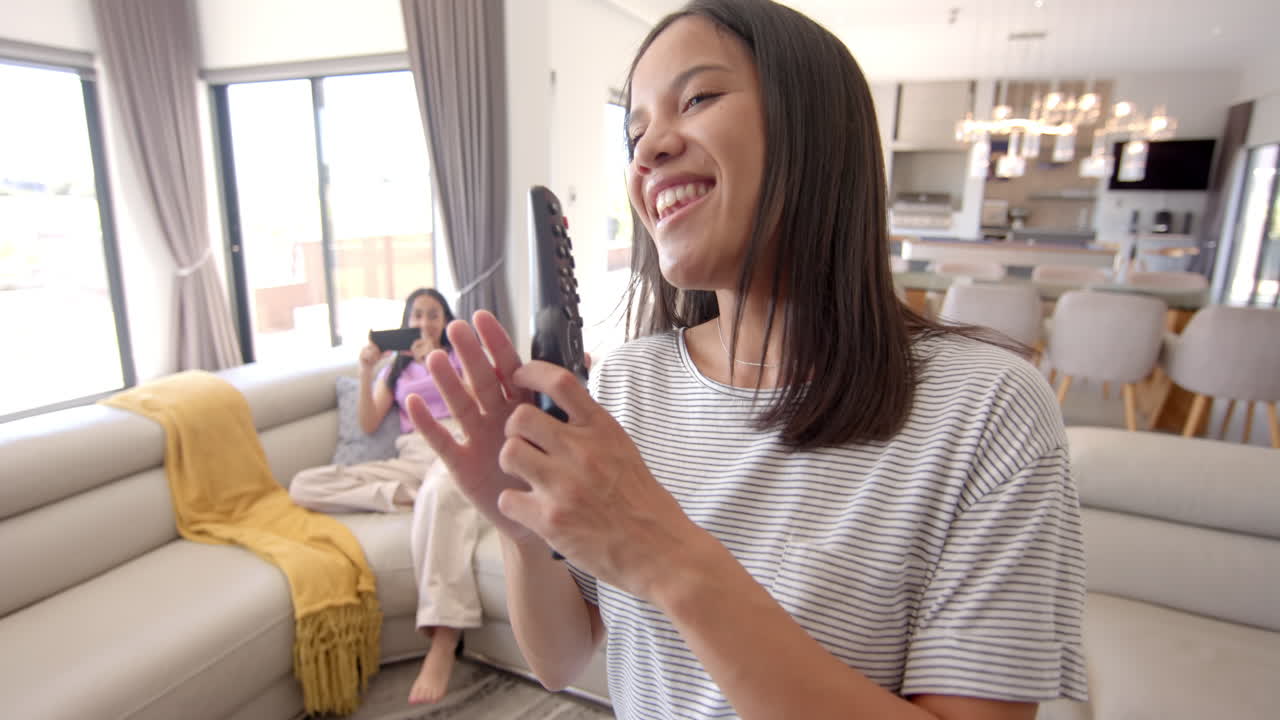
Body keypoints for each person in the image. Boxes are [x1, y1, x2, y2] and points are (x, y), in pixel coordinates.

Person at [407, 1, 1088, 718]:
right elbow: (559, 659)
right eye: (633, 133)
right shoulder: (626, 387)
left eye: (697, 98)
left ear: (816, 129)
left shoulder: (988, 411)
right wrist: (524, 532)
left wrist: (666, 555)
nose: (647, 152)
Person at [288, 287, 485, 705]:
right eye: (417, 315)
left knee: (441, 488)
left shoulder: (454, 358)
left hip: (453, 444)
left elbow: (474, 406)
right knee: (305, 485)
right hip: (410, 458)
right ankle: (405, 494)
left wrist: (435, 360)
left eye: (434, 315)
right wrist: (366, 370)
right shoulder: (394, 371)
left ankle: (444, 638)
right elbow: (367, 422)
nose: (424, 323)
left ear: (446, 321)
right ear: (405, 321)